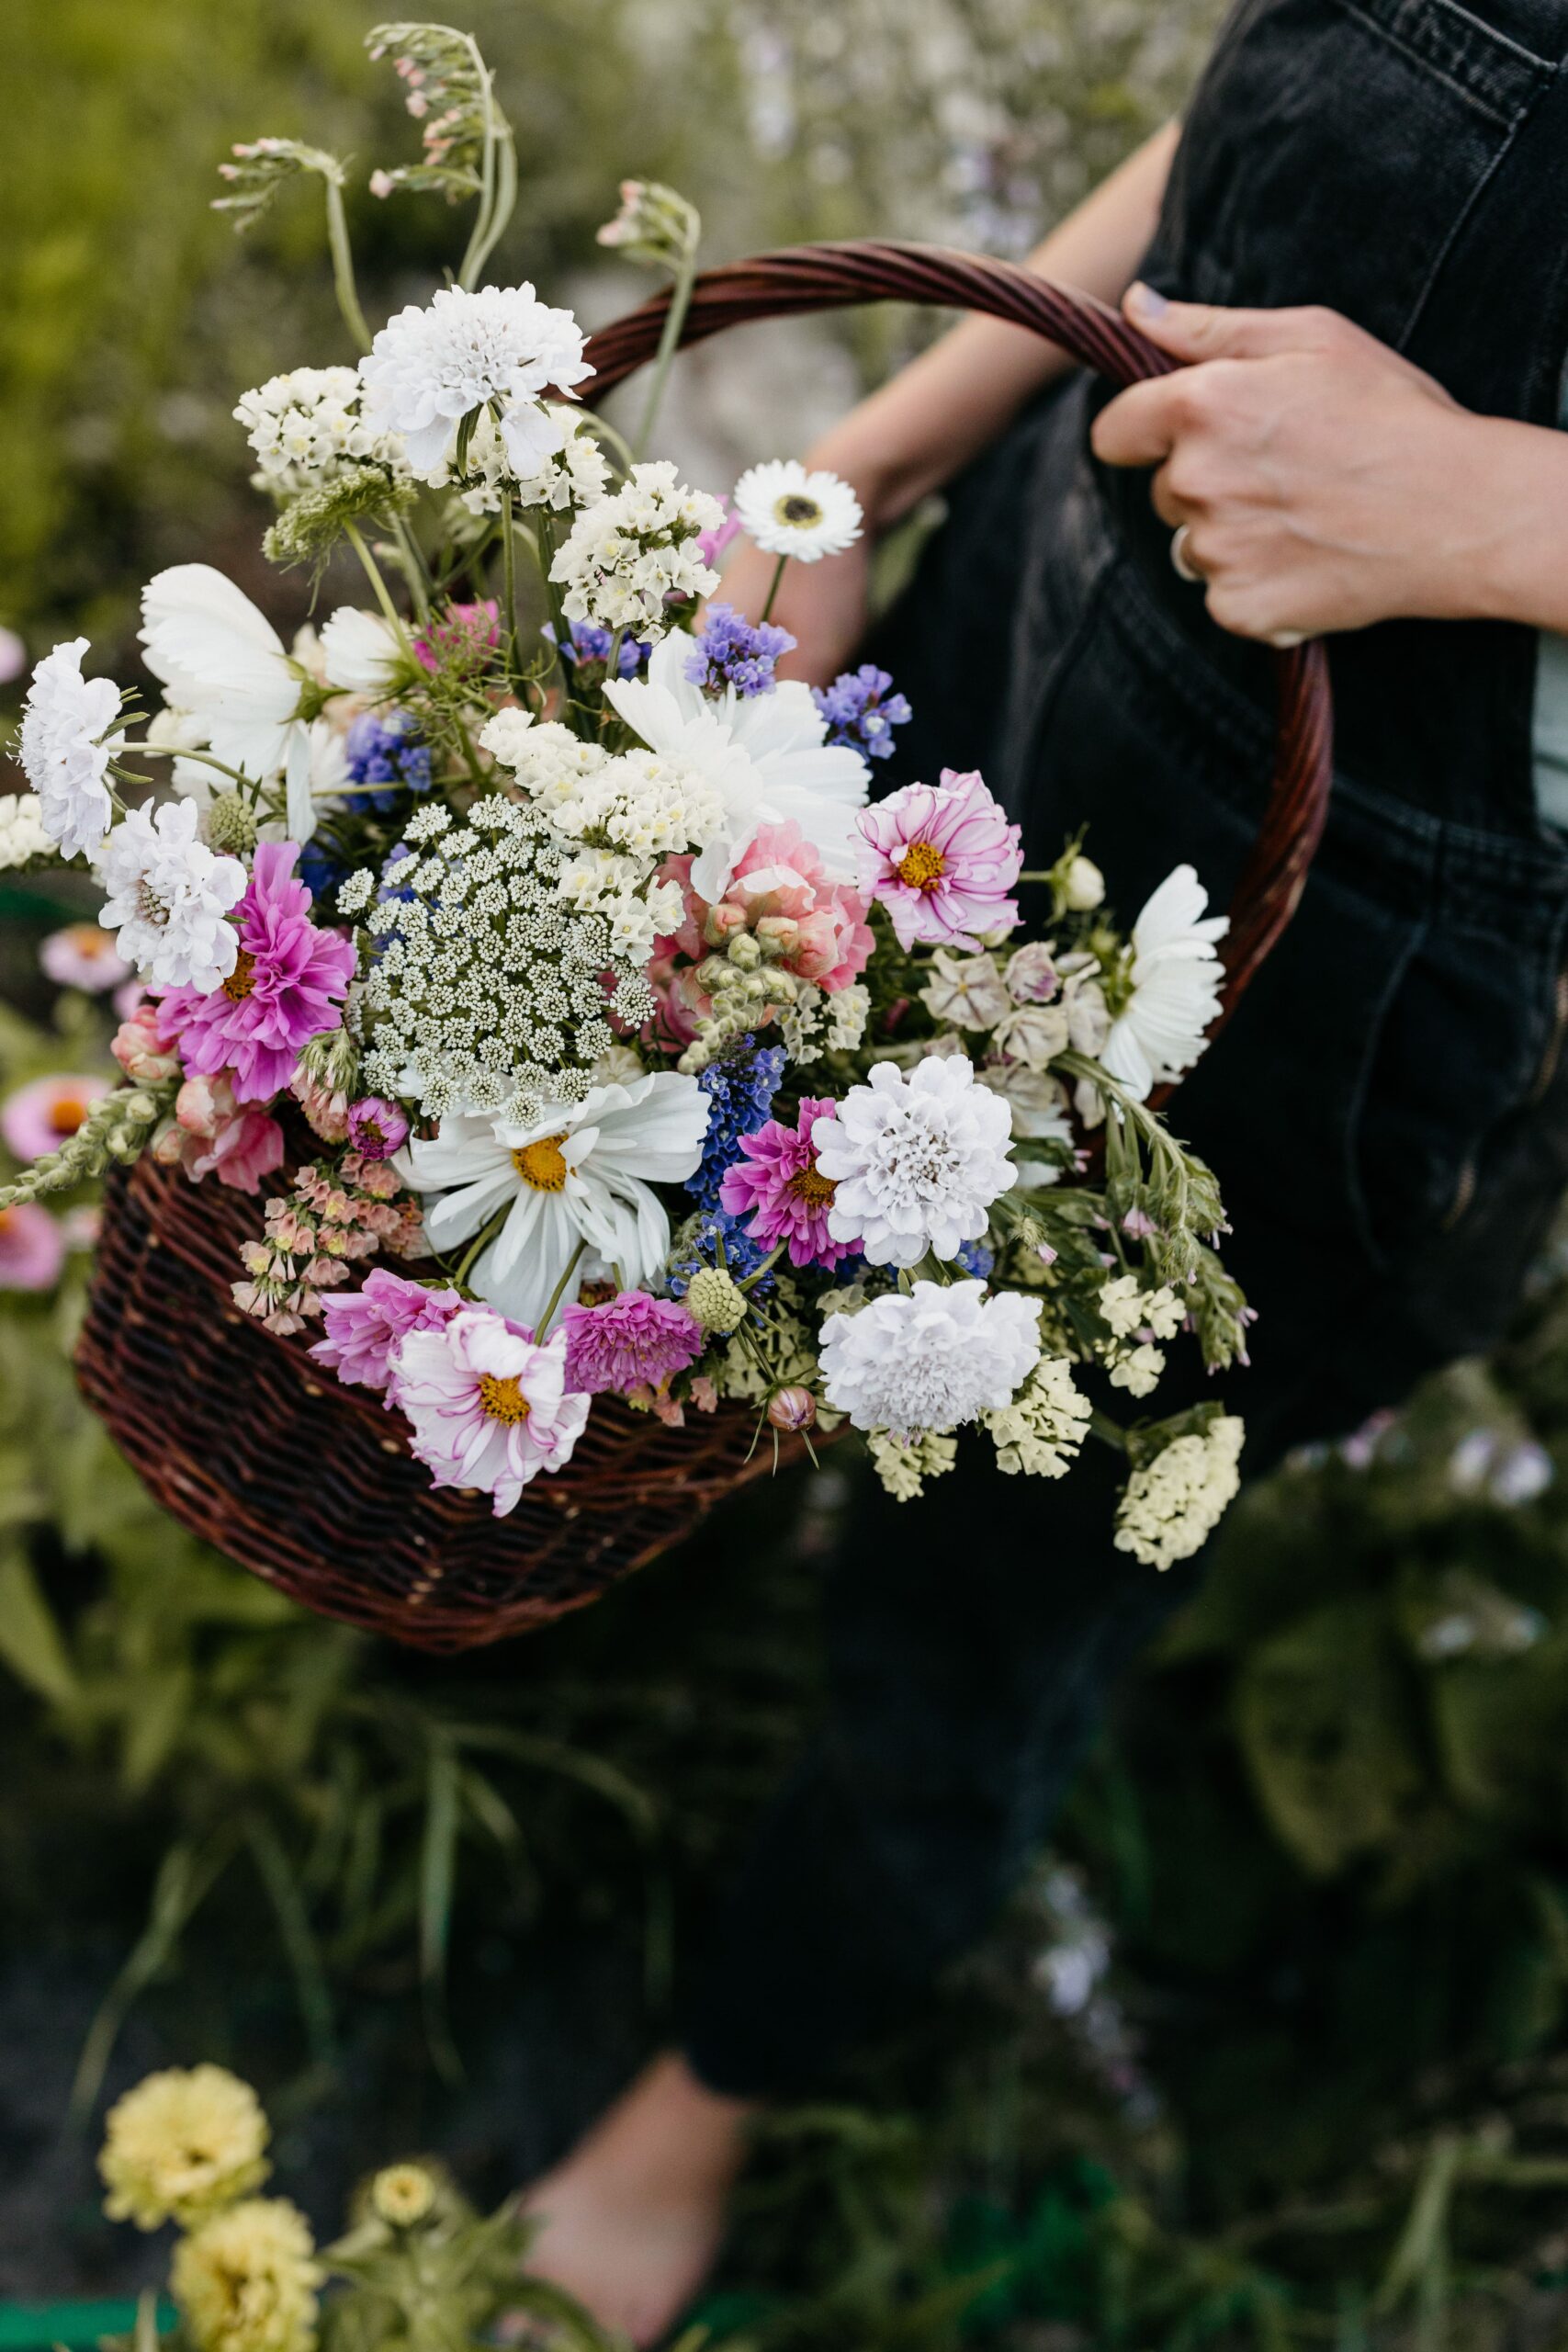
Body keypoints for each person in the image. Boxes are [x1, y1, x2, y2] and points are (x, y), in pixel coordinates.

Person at [522, 6, 1568, 2337]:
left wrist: (1499, 509)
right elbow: (1338, 78)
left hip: (1385, 892)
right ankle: (638, 1507)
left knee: (1005, 1549)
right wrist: (860, 476)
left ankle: (705, 2096)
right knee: (730, 1142)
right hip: (1056, 559)